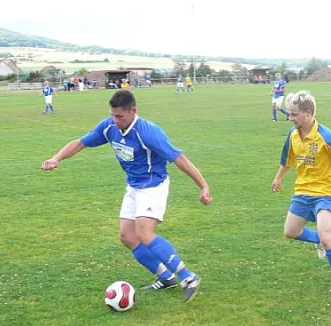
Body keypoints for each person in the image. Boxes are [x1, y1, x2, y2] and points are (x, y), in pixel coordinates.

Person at [40, 90, 212, 303]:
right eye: (113, 115)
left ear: (133, 111)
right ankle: (166, 278)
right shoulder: (109, 127)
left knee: (144, 233)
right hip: (133, 186)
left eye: (120, 116)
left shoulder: (148, 132)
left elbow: (180, 159)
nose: (115, 120)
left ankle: (188, 277)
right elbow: (81, 142)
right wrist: (57, 158)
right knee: (127, 237)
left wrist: (203, 186)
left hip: (153, 185)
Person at [271, 90, 331, 299]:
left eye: (294, 114)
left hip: (328, 192)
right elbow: (288, 158)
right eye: (290, 113)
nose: (290, 117)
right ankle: (318, 242)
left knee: (326, 234)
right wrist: (278, 178)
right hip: (304, 190)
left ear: (309, 112)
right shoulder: (293, 135)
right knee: (290, 232)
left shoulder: (327, 137)